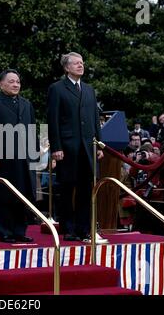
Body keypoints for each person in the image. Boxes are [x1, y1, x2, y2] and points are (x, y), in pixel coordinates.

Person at [47, 52, 104, 241]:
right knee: (67, 187)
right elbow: (53, 119)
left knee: (86, 189)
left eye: (82, 62)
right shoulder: (57, 88)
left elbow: (95, 119)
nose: (81, 65)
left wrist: (99, 144)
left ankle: (84, 228)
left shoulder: (89, 89)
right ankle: (68, 228)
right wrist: (56, 146)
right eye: (76, 63)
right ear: (66, 67)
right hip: (67, 146)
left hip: (88, 146)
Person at [0, 69, 38, 243]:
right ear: (2, 84)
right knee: (4, 194)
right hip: (3, 158)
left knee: (23, 193)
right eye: (11, 81)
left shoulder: (26, 104)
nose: (15, 85)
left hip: (24, 157)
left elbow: (32, 129)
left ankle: (20, 230)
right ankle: (5, 231)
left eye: (18, 82)